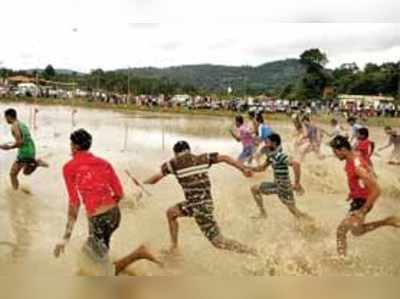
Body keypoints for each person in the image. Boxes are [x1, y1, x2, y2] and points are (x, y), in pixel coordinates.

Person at [54, 129, 161, 275]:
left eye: (71, 144)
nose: (70, 147)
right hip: (114, 215)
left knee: (98, 270)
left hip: (98, 220)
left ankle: (139, 253)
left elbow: (74, 203)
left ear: (75, 146)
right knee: (94, 258)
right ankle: (126, 272)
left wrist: (65, 237)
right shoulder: (104, 163)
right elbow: (119, 193)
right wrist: (108, 208)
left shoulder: (69, 167)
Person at [141, 141, 257, 256]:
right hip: (202, 204)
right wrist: (243, 169)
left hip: (197, 207)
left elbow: (156, 179)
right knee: (171, 213)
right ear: (189, 150)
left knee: (218, 241)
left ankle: (250, 251)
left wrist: (141, 185)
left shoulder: (174, 164)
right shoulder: (201, 158)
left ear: (175, 153)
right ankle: (174, 248)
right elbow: (225, 158)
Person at [329, 136, 400, 257]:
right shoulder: (353, 156)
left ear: (343, 149)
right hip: (358, 198)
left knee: (341, 231)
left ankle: (341, 260)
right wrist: (354, 191)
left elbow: (377, 190)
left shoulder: (357, 167)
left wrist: (362, 210)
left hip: (363, 202)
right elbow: (369, 168)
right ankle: (387, 221)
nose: (335, 155)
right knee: (356, 231)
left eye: (335, 152)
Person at [248, 133, 312, 221]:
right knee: (254, 189)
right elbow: (262, 168)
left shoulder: (279, 155)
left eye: (267, 142)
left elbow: (296, 164)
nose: (266, 144)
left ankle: (311, 222)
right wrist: (247, 169)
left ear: (274, 143)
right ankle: (263, 213)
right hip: (277, 185)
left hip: (284, 187)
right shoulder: (271, 156)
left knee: (294, 211)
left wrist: (297, 183)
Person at [0, 108, 49, 190]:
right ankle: (35, 163)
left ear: (9, 117)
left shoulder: (14, 126)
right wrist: (10, 143)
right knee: (26, 172)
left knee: (12, 174)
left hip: (24, 151)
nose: (5, 119)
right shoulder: (21, 124)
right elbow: (24, 138)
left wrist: (9, 147)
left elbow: (20, 142)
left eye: (5, 117)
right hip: (31, 148)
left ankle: (15, 193)